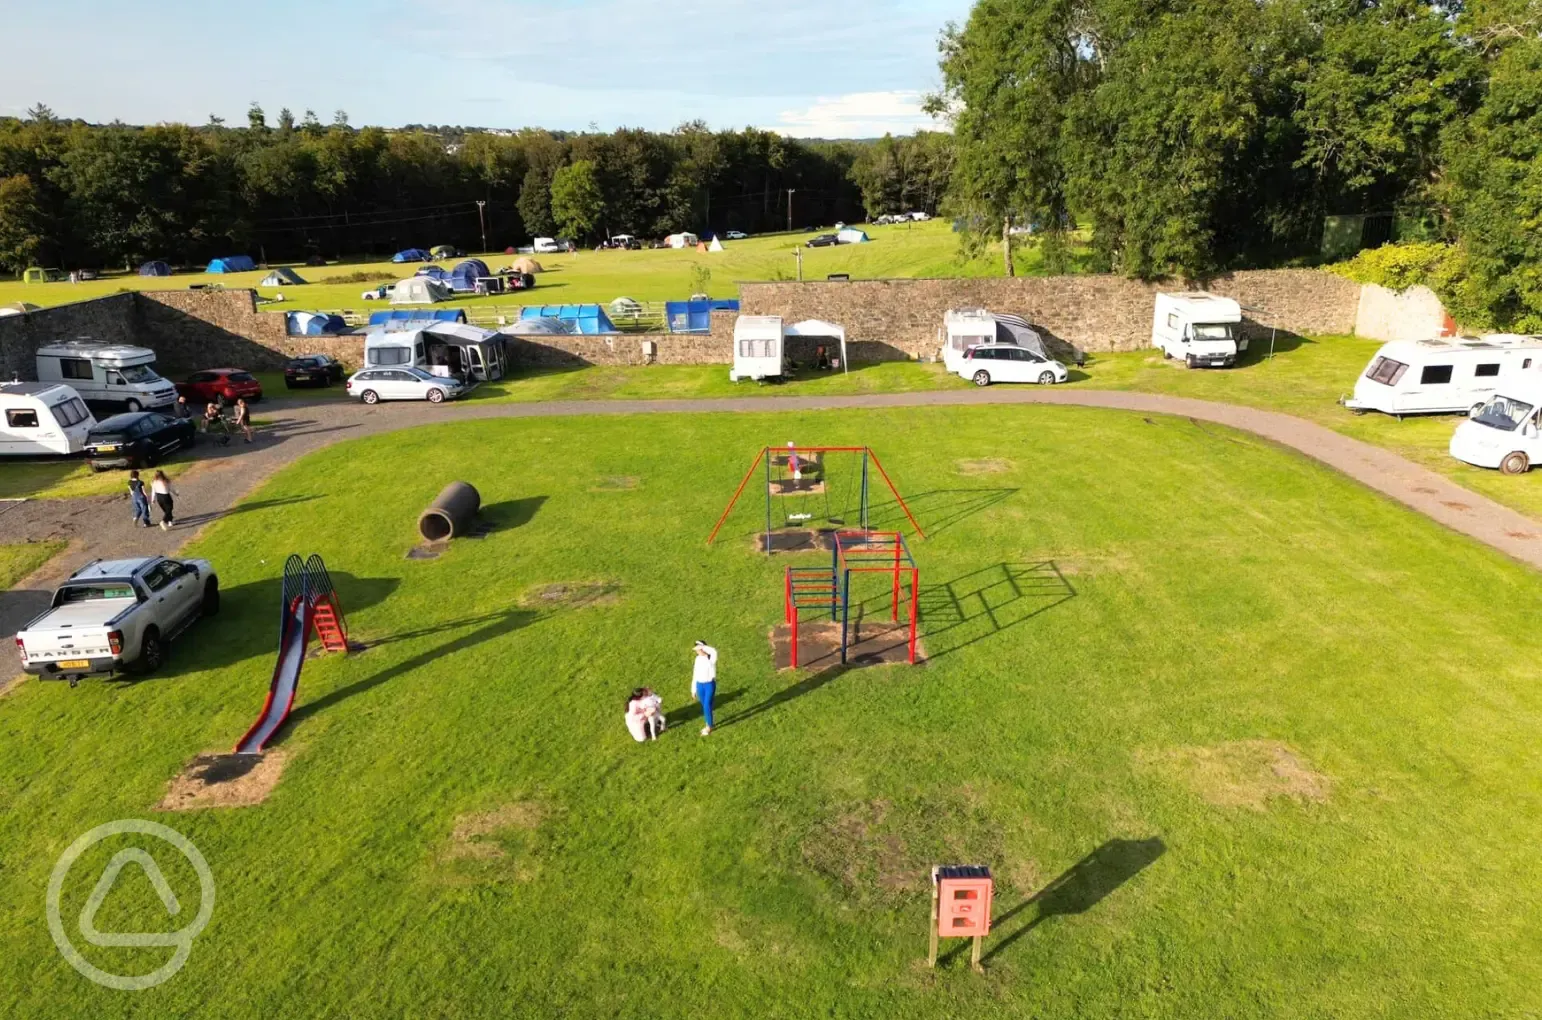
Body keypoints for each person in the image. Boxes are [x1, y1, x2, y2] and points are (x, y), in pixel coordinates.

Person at [691, 640, 718, 736]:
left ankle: (709, 727)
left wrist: (703, 647)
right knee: (706, 706)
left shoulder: (711, 658)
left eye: (699, 649)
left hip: (709, 685)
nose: (697, 651)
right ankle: (709, 723)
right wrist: (693, 689)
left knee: (706, 705)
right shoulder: (697, 659)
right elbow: (695, 674)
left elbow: (714, 651)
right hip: (699, 685)